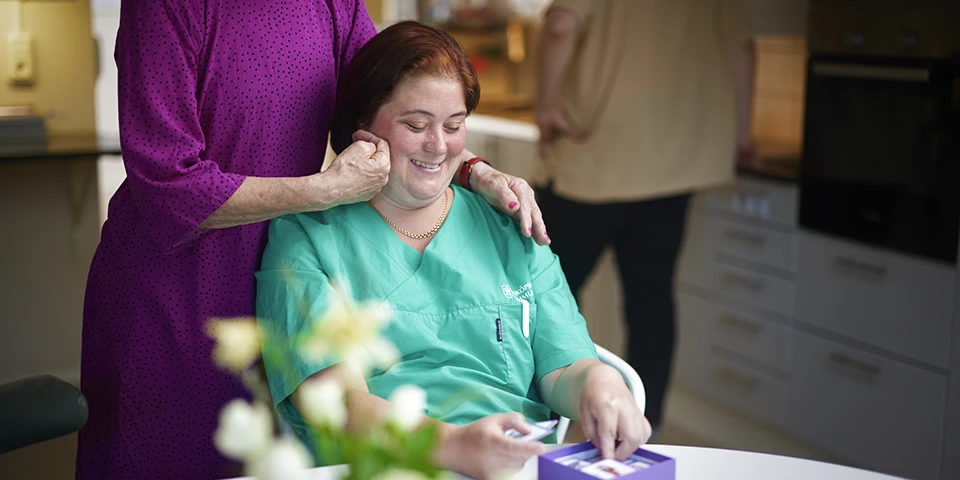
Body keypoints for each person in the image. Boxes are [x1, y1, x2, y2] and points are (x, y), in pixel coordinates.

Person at [77, 2, 550, 479]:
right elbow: (168, 183)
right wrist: (323, 191)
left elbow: (396, 105)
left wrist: (476, 170)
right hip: (176, 294)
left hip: (291, 273)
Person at [256, 21, 651, 480]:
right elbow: (340, 406)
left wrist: (600, 384)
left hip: (513, 467)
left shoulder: (509, 224)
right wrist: (456, 446)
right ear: (361, 127)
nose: (438, 145)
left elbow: (563, 366)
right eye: (415, 124)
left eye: (454, 125)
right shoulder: (305, 238)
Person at [533, 0, 756, 437]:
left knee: (541, 296)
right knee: (651, 301)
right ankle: (640, 426)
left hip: (593, 159)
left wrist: (546, 105)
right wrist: (742, 132)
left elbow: (560, 26)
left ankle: (534, 423)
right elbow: (744, 49)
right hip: (674, 166)